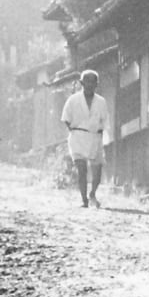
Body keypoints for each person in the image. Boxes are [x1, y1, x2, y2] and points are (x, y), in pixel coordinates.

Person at [60, 69, 110, 208]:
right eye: (86, 81)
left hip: (95, 138)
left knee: (97, 173)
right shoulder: (73, 100)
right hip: (78, 138)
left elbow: (106, 121)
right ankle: (84, 200)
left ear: (96, 84)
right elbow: (65, 118)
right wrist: (74, 130)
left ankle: (92, 193)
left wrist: (100, 132)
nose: (89, 85)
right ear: (81, 83)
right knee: (82, 169)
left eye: (92, 82)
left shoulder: (101, 102)